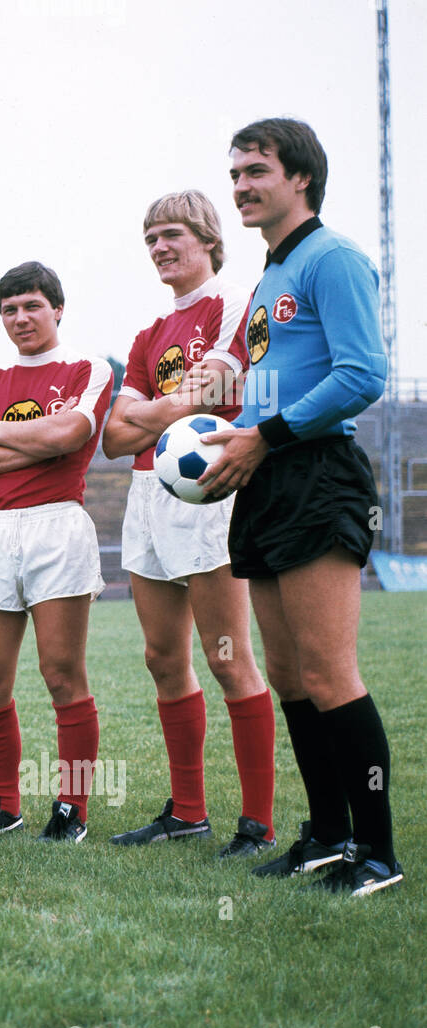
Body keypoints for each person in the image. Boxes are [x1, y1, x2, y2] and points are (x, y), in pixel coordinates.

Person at [198, 118, 400, 895]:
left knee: (327, 668)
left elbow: (361, 375)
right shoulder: (267, 281)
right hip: (266, 474)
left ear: (301, 180)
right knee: (286, 670)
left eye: (257, 171)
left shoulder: (334, 258)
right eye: (237, 174)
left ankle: (378, 855)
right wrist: (229, 428)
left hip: (315, 470)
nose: (243, 185)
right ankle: (327, 834)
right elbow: (268, 381)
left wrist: (266, 434)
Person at [101, 191, 277, 858]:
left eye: (171, 233)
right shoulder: (148, 334)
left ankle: (256, 823)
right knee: (161, 657)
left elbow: (211, 393)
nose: (159, 248)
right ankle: (188, 811)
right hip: (149, 493)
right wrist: (174, 405)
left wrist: (159, 407)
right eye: (150, 238)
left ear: (206, 236)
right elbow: (117, 436)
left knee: (228, 657)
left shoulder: (232, 301)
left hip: (210, 491)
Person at [0, 262, 111, 843]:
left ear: (57, 309)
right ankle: (4, 804)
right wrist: (39, 440)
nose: (21, 318)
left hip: (56, 526)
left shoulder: (87, 368)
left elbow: (71, 438)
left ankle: (73, 808)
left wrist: (0, 433)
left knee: (62, 673)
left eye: (32, 306)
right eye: (10, 309)